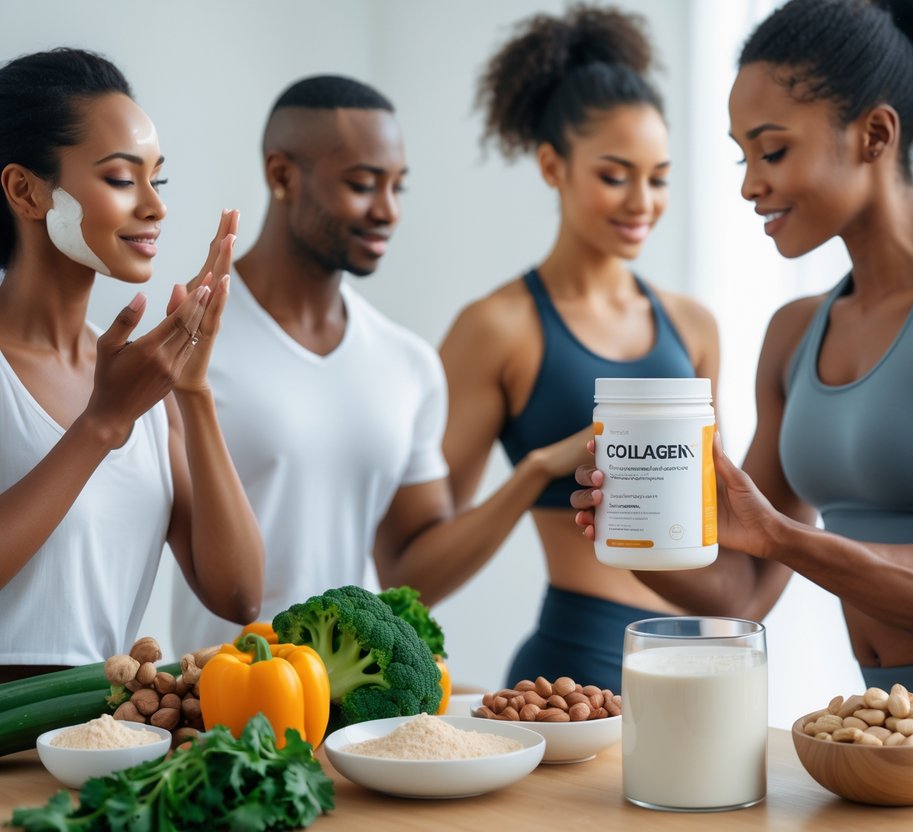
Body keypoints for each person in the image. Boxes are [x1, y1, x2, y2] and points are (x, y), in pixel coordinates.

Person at [575, 0, 913, 789]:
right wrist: (629, 533)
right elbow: (745, 587)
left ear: (874, 134)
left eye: (772, 150)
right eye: (741, 158)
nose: (751, 185)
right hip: (885, 750)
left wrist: (783, 537)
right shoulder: (794, 332)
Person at [168, 75, 578, 658]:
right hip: (220, 711)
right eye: (362, 185)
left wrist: (533, 473)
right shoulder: (188, 347)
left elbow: (413, 575)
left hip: (358, 719)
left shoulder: (406, 363)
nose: (387, 211)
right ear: (281, 175)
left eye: (397, 187)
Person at [437, 5, 719, 690]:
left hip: (706, 654)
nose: (641, 202)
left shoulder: (693, 324)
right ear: (550, 165)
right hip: (578, 666)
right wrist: (538, 469)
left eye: (658, 177)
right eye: (614, 174)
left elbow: (720, 516)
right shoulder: (497, 327)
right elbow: (413, 568)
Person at [0, 48, 263, 680]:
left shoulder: (141, 381)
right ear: (26, 191)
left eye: (157, 179)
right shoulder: (120, 397)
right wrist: (100, 426)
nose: (155, 205)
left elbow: (238, 597)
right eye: (122, 178)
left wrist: (193, 393)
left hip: (100, 747)